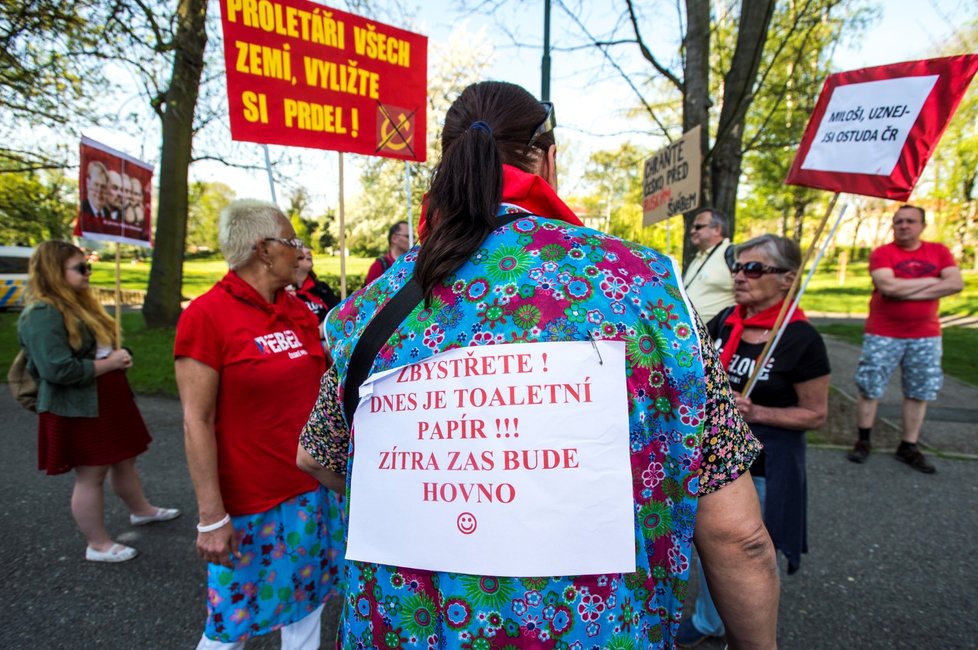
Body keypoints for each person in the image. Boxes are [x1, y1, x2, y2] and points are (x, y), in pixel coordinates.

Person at [297, 81, 779, 648]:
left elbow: (316, 455)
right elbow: (737, 535)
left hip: (408, 629)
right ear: (548, 158)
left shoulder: (373, 303)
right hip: (592, 630)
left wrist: (440, 501)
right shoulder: (644, 288)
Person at [174, 200, 343, 649]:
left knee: (309, 607)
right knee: (231, 622)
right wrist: (211, 517)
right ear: (264, 250)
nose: (300, 251)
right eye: (293, 242)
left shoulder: (298, 310)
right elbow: (197, 419)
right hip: (250, 504)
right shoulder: (207, 316)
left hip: (311, 491)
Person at [677, 234, 830, 646]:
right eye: (737, 267)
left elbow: (816, 414)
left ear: (787, 279)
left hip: (766, 467)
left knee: (745, 550)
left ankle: (736, 629)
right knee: (714, 551)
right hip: (714, 464)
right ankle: (711, 620)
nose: (740, 276)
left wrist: (757, 412)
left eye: (754, 268)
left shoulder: (802, 340)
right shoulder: (726, 320)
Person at [16, 241, 179, 563]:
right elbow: (56, 369)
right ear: (54, 272)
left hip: (106, 397)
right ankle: (98, 544)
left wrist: (123, 354)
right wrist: (111, 364)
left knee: (124, 459)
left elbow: (105, 346)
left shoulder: (79, 304)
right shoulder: (42, 313)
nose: (88, 273)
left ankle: (141, 511)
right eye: (80, 268)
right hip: (78, 404)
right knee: (91, 474)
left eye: (87, 267)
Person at [846, 204, 962, 473]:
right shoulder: (883, 253)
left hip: (926, 336)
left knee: (919, 390)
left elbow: (955, 283)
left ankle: (908, 446)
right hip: (883, 332)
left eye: (910, 221)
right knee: (870, 386)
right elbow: (887, 286)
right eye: (898, 221)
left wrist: (903, 289)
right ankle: (863, 440)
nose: (904, 225)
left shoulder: (939, 251)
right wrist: (933, 283)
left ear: (922, 225)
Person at [683, 207, 735, 323]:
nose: (692, 231)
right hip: (688, 335)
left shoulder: (731, 253)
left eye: (698, 227)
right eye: (692, 227)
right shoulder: (698, 257)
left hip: (715, 336)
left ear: (717, 229)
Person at [292, 246, 340, 325]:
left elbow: (337, 314)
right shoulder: (285, 293)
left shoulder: (322, 288)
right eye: (300, 247)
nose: (308, 250)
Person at [363, 220, 409, 285]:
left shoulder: (415, 263)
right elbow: (369, 294)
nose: (413, 240)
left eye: (414, 237)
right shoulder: (378, 266)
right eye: (408, 236)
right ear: (394, 238)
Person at [80, 161, 108, 228]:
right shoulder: (82, 210)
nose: (99, 191)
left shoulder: (108, 213)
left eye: (103, 186)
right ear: (88, 183)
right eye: (96, 184)